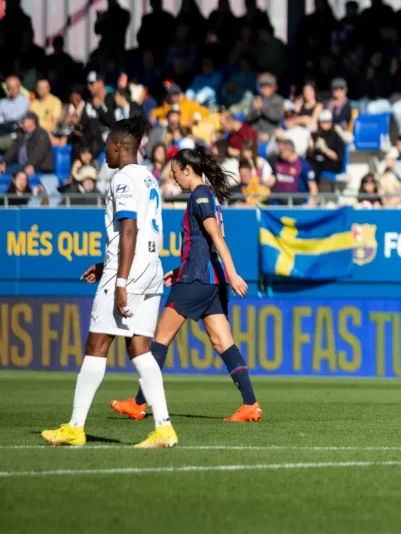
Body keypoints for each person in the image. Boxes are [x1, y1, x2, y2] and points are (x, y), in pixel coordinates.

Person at [40, 117, 177, 448]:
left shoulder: (123, 178)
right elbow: (138, 231)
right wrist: (107, 265)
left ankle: (75, 428)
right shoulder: (149, 178)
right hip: (150, 268)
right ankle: (164, 428)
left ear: (119, 146)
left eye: (106, 147)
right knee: (139, 348)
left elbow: (128, 228)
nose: (104, 154)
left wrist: (119, 279)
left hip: (128, 273)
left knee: (96, 344)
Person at [110, 147, 259, 423]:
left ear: (187, 170)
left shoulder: (199, 195)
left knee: (159, 340)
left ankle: (140, 403)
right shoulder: (209, 195)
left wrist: (234, 273)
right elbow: (204, 244)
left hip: (197, 280)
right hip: (210, 280)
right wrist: (180, 270)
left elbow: (216, 237)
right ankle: (250, 403)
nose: (174, 179)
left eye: (175, 173)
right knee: (223, 342)